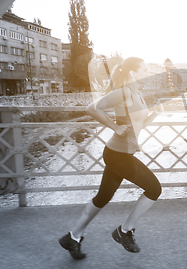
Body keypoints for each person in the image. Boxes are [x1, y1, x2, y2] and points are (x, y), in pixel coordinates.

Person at [59, 57, 163, 259]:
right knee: (154, 188)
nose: (148, 72)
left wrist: (155, 114)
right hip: (118, 155)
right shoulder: (124, 91)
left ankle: (73, 237)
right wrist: (114, 127)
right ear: (133, 73)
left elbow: (137, 127)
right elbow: (91, 108)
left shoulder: (136, 93)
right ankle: (124, 231)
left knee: (102, 198)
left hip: (121, 154)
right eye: (145, 69)